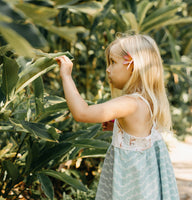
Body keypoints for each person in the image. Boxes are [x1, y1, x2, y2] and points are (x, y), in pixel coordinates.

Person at [55, 34, 179, 200]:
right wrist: (119, 129)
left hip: (130, 184)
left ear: (132, 66)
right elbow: (140, 137)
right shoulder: (148, 100)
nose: (108, 69)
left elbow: (82, 113)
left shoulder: (130, 103)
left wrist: (66, 76)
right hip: (144, 183)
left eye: (113, 62)